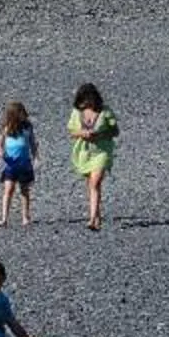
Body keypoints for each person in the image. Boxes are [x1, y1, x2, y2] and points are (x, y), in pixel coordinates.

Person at [67, 83, 117, 231]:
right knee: (91, 185)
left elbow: (115, 131)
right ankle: (97, 216)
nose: (88, 102)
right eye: (85, 99)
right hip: (84, 152)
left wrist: (100, 134)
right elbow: (71, 132)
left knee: (95, 182)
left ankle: (92, 218)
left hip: (101, 151)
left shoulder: (105, 112)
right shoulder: (76, 113)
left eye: (90, 99)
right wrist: (82, 133)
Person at [0, 101, 40, 226]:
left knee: (24, 190)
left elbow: (32, 143)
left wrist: (36, 156)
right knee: (8, 189)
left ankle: (25, 217)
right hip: (11, 163)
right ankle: (4, 218)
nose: (24, 115)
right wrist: (0, 152)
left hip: (24, 163)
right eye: (21, 113)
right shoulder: (7, 127)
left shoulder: (28, 127)